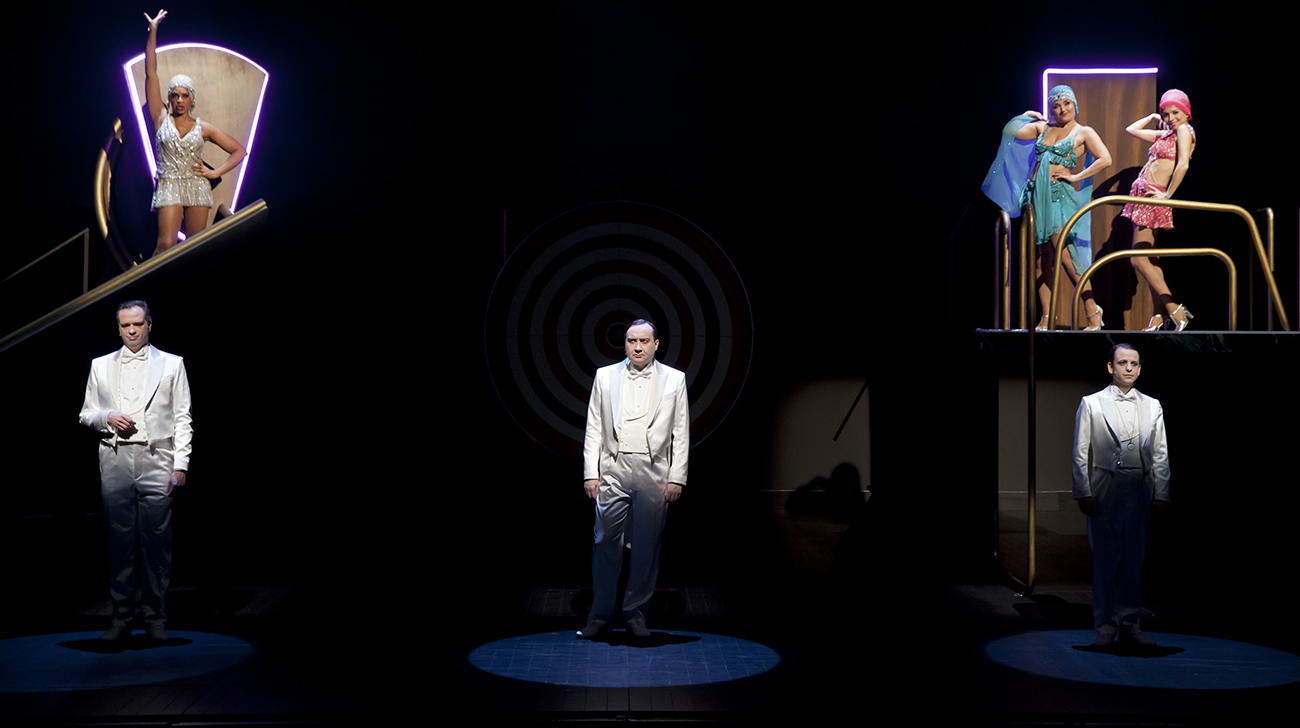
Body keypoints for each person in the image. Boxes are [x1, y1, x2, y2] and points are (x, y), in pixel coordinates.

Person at [78, 301, 193, 642]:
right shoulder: (100, 365)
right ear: (118, 328)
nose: (131, 330)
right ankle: (121, 619)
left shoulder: (172, 364)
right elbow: (86, 414)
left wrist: (181, 465)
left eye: (138, 324)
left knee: (157, 542)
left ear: (149, 325)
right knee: (120, 542)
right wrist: (107, 417)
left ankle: (155, 619)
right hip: (115, 458)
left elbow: (183, 417)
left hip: (157, 457)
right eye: (125, 325)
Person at [579, 319, 689, 639]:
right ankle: (600, 617)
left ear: (656, 344)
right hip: (613, 468)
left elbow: (680, 432)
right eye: (631, 341)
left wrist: (677, 477)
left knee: (646, 547)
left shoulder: (675, 379)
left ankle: (636, 616)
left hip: (654, 471)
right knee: (604, 544)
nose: (637, 347)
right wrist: (590, 473)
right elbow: (594, 427)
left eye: (643, 341)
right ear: (625, 343)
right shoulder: (605, 376)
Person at [983, 85, 1113, 330]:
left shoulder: (1083, 132)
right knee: (1041, 260)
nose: (1062, 109)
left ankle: (1092, 310)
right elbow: (1009, 132)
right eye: (1056, 105)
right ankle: (1047, 316)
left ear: (1075, 105)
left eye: (1066, 103)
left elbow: (1105, 158)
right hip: (1034, 197)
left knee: (1065, 256)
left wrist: (1076, 176)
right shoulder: (1043, 128)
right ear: (1051, 109)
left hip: (1057, 196)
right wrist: (1027, 114)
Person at [1071, 344, 1170, 648]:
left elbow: (1160, 453)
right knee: (1104, 559)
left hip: (1139, 487)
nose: (1128, 368)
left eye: (1134, 363)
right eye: (1122, 362)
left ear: (1140, 369)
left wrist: (1161, 492)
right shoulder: (1092, 403)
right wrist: (1083, 490)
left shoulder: (1152, 405)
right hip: (1107, 487)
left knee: (1133, 560)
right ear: (1110, 367)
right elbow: (1080, 451)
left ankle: (1130, 623)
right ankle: (1104, 626)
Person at [143, 10, 247, 257]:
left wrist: (215, 172)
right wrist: (153, 31)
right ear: (169, 98)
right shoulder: (160, 117)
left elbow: (239, 151)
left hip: (197, 186)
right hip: (169, 184)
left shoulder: (204, 127)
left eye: (184, 95)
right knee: (166, 246)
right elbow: (151, 73)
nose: (179, 100)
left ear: (191, 99)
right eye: (175, 95)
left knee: (194, 251)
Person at [1122, 90, 1197, 331]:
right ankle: (1158, 315)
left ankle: (1175, 309)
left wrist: (1167, 196)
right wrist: (1153, 116)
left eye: (1175, 112)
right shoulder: (1166, 133)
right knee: (1151, 259)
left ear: (1186, 113)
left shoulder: (1184, 130)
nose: (1171, 117)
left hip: (1153, 199)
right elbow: (1131, 130)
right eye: (1166, 113)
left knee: (1138, 259)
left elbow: (1183, 164)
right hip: (1143, 197)